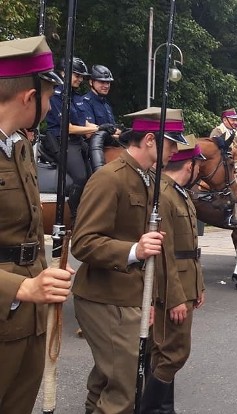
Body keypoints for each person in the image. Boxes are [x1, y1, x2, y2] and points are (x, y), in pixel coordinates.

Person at [71, 107, 186, 413]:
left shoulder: (147, 179)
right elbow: (83, 243)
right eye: (171, 142)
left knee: (105, 381)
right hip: (104, 298)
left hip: (129, 299)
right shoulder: (110, 178)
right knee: (124, 391)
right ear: (150, 139)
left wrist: (149, 300)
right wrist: (134, 250)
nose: (175, 151)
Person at [0, 35, 73, 414]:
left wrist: (42, 279)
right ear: (28, 98)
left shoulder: (19, 147)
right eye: (48, 98)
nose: (50, 106)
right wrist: (23, 286)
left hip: (27, 317)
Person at [139, 135, 206, 413]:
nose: (199, 169)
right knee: (172, 353)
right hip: (172, 289)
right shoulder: (163, 194)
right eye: (198, 164)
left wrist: (198, 286)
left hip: (186, 283)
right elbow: (165, 252)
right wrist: (176, 297)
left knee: (167, 351)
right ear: (189, 165)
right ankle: (148, 409)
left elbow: (190, 248)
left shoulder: (179, 193)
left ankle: (165, 409)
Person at [42, 56, 98, 187]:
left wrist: (106, 128)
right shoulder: (56, 95)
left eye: (81, 76)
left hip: (77, 141)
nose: (80, 79)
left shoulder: (75, 96)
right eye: (77, 75)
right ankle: (73, 208)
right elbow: (69, 128)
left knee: (94, 177)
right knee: (80, 177)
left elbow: (84, 123)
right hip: (62, 141)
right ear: (64, 73)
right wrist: (97, 129)